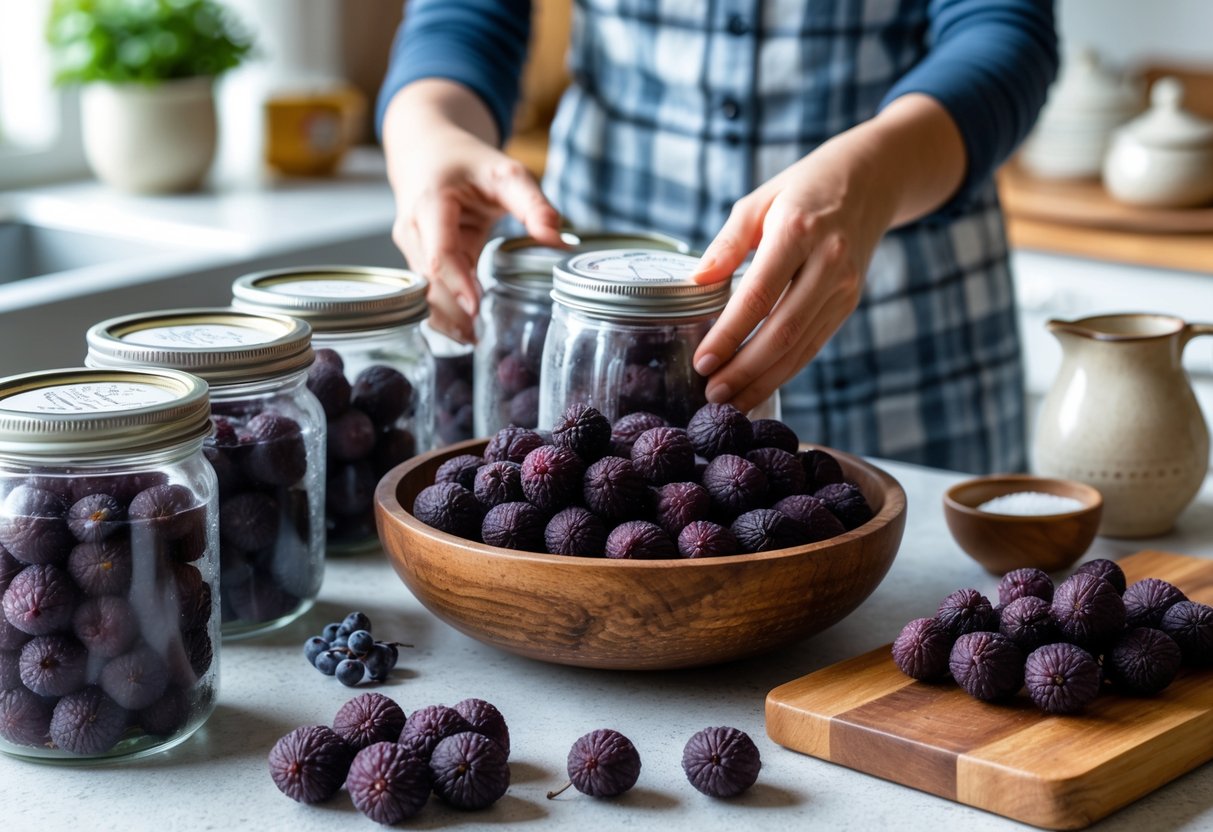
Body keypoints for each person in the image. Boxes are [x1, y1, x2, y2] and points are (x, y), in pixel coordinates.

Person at [377, 0, 1058, 474]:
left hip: (903, 337)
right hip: (597, 329)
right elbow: (464, 16)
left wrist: (875, 178)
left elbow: (1004, 32)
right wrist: (424, 131)